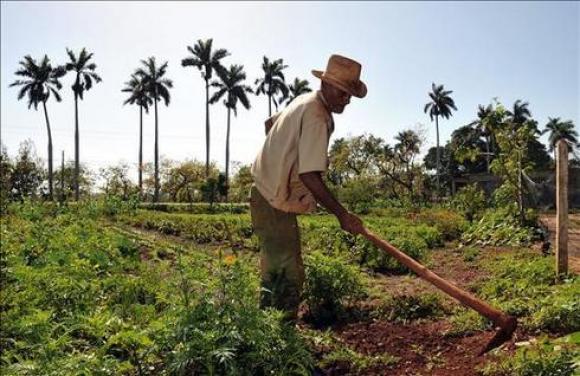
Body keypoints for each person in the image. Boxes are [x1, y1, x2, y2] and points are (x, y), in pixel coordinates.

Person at [250, 54, 367, 320]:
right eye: (343, 92)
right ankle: (277, 340)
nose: (347, 99)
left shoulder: (303, 100)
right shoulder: (317, 115)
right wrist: (342, 215)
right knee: (287, 274)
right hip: (272, 200)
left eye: (350, 94)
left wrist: (281, 154)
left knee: (277, 268)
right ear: (325, 84)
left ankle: (270, 332)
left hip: (265, 192)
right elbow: (310, 176)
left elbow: (270, 123)